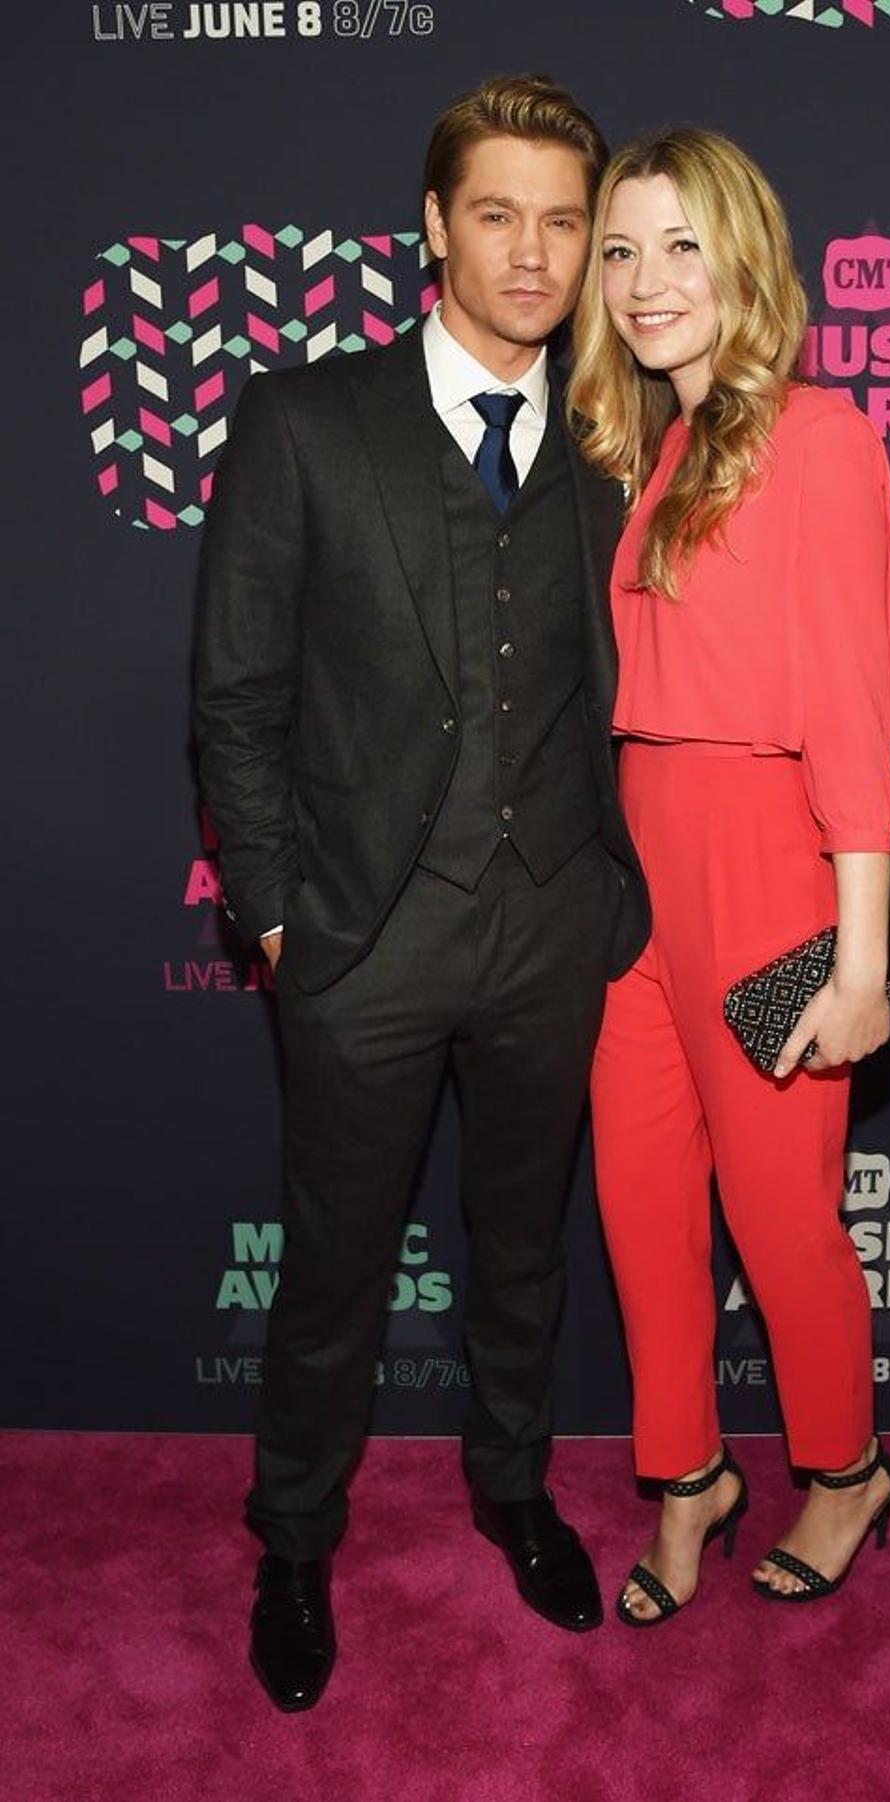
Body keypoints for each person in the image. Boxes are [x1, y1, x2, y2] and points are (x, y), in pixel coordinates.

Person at [193, 74, 649, 1709]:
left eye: (562, 221)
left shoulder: (620, 435)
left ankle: (511, 1486)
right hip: (360, 943)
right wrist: (270, 915)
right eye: (498, 214)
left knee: (520, 1244)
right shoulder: (309, 423)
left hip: (552, 931)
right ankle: (296, 1534)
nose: (533, 252)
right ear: (434, 231)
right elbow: (236, 701)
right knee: (333, 1261)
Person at [568, 128, 890, 1624]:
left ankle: (845, 1471)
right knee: (644, 1206)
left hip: (770, 865)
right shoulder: (655, 442)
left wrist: (861, 959)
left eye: (681, 247)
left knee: (783, 1221)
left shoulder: (820, 433)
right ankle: (687, 1478)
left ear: (743, 258)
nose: (648, 283)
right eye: (621, 251)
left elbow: (849, 707)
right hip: (633, 865)